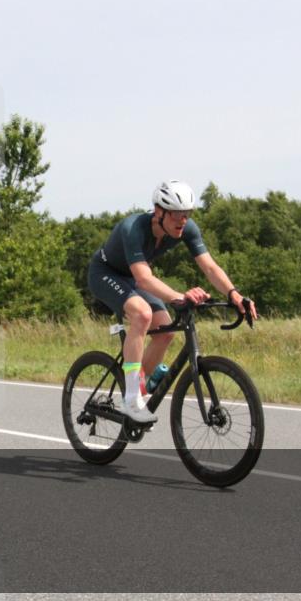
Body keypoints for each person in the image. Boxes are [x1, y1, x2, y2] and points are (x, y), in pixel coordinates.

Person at [87, 180, 258, 423]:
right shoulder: (133, 228)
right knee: (142, 315)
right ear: (159, 212)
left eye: (187, 213)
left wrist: (234, 294)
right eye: (177, 214)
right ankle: (131, 399)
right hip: (106, 273)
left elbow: (209, 267)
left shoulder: (187, 229)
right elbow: (144, 279)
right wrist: (180, 296)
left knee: (165, 331)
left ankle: (136, 389)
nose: (183, 220)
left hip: (135, 277)